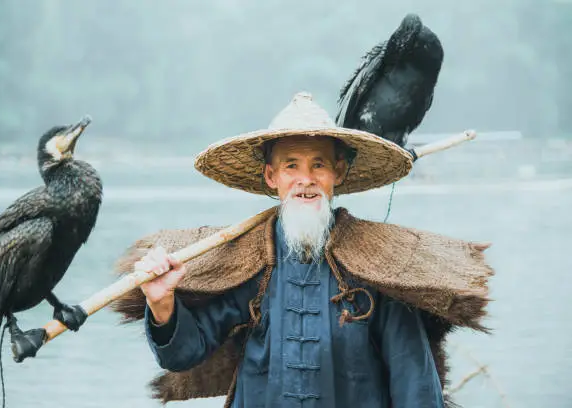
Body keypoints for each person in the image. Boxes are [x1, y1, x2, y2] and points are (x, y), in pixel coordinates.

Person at [112, 92, 494, 408]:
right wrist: (162, 305)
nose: (305, 180)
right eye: (291, 166)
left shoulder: (379, 264)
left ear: (338, 174)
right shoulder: (250, 263)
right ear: (271, 177)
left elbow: (416, 385)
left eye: (319, 165)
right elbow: (182, 355)